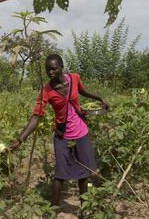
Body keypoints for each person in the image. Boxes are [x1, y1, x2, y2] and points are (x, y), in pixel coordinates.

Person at [10, 54, 109, 207]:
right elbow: (36, 116)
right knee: (60, 174)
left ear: (61, 67)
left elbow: (82, 91)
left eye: (54, 69)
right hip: (63, 136)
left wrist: (99, 98)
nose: (50, 72)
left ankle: (84, 209)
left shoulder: (74, 78)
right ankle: (53, 211)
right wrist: (20, 138)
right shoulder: (47, 91)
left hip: (81, 132)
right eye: (48, 70)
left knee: (84, 173)